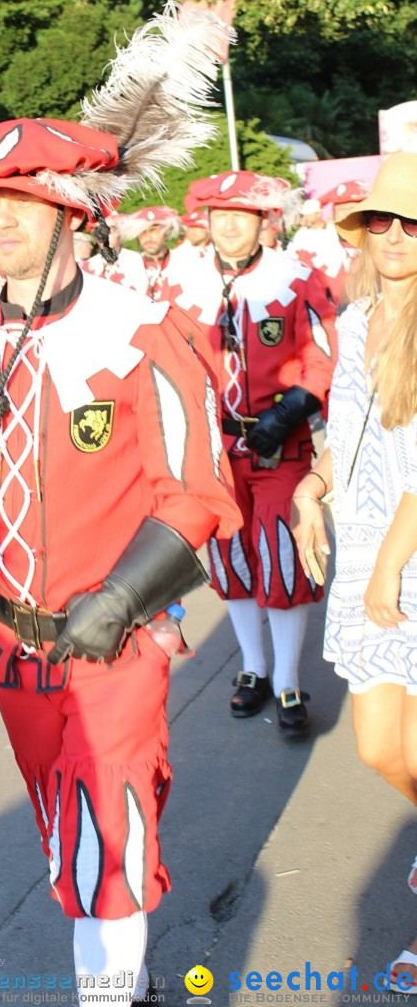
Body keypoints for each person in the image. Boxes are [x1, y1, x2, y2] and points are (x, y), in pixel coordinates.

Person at [0, 4, 241, 1003]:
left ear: (71, 213)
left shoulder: (143, 332)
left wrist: (122, 602)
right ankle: (120, 973)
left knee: (104, 834)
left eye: (20, 202)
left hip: (114, 644)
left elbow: (198, 495)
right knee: (63, 827)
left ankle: (109, 993)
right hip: (6, 651)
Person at [290, 151, 417, 991]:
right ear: (361, 234)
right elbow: (349, 433)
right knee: (380, 747)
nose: (396, 236)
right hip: (363, 546)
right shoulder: (355, 319)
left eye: (412, 223)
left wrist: (387, 571)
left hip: (405, 556)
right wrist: (310, 485)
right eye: (382, 221)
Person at [173, 170, 337, 736]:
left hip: (280, 445)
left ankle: (289, 682)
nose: (228, 227)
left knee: (282, 556)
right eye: (220, 217)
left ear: (263, 221)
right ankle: (253, 668)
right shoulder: (182, 285)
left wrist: (289, 412)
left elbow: (323, 357)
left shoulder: (297, 280)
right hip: (216, 448)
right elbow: (168, 365)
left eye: (240, 217)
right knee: (232, 555)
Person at [118, 206, 182, 300]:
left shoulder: (183, 263)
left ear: (167, 231)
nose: (148, 237)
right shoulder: (126, 267)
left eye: (153, 230)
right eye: (143, 232)